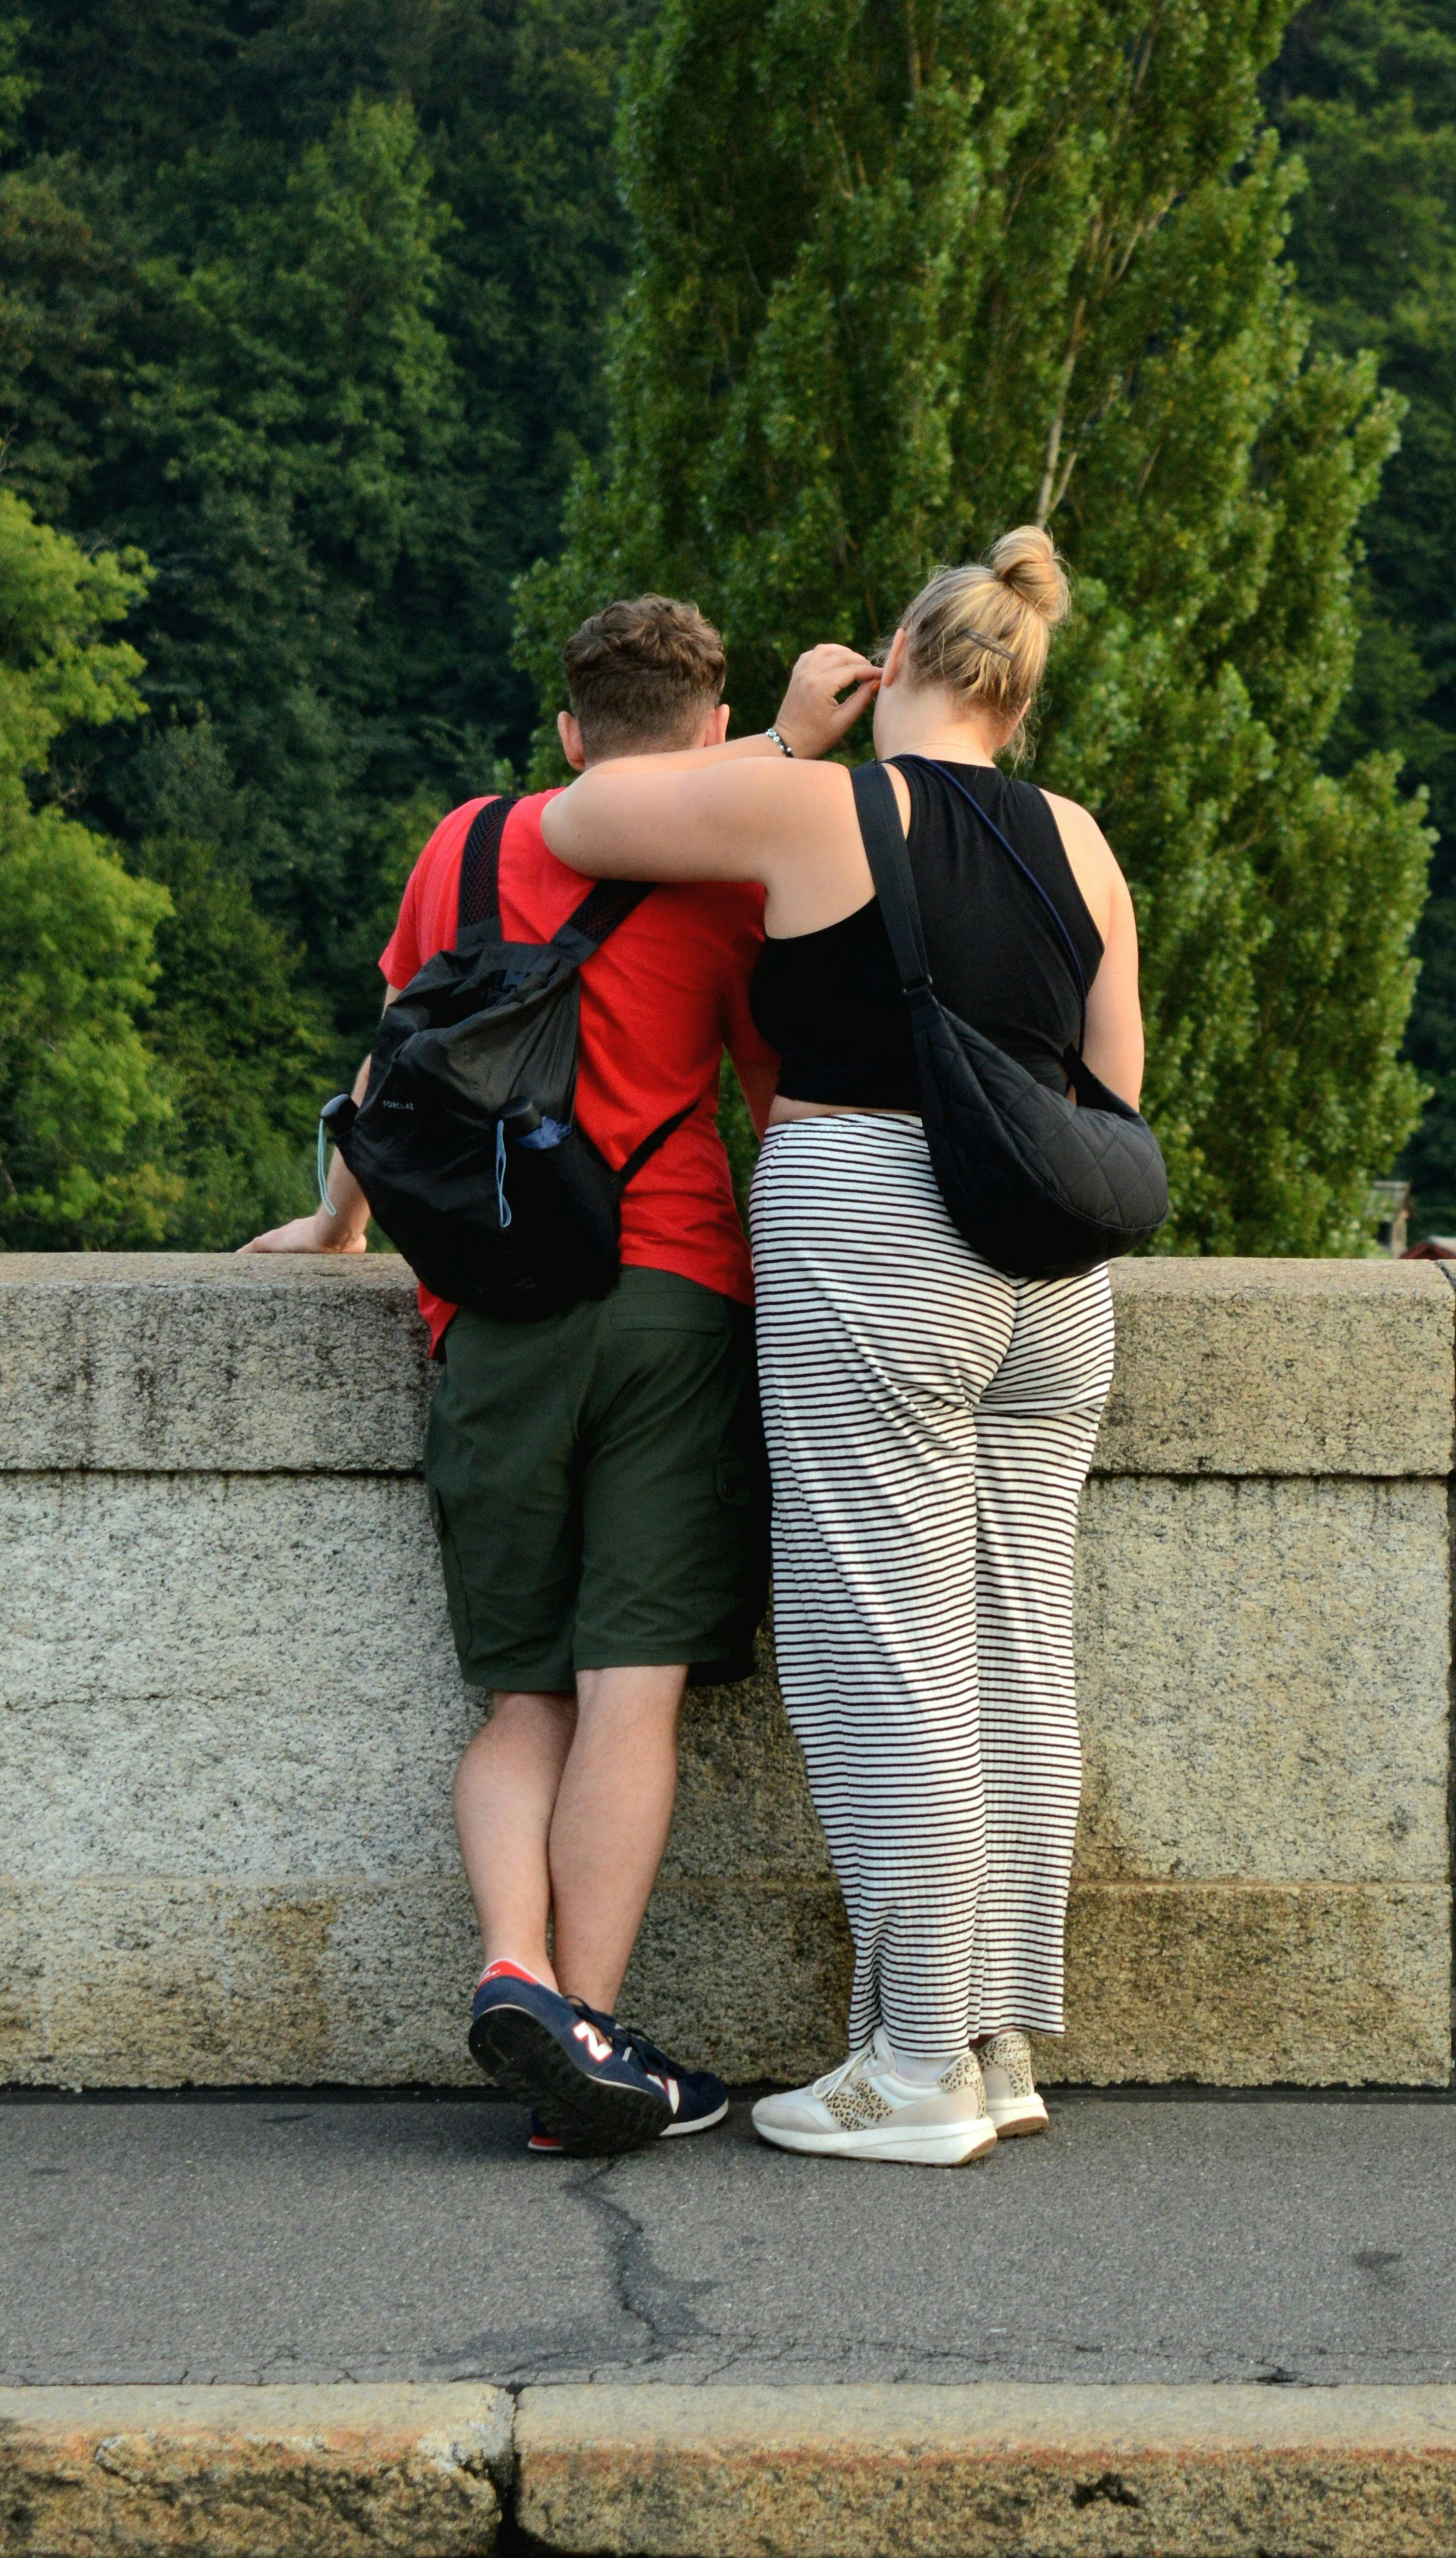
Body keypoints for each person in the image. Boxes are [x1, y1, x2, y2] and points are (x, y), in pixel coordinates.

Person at [542, 527, 1143, 2168]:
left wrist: (791, 731)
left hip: (872, 1216)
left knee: (884, 1648)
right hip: (1052, 1258)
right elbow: (1117, 1090)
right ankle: (999, 2039)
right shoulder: (1078, 843)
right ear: (1015, 697)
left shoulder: (827, 803)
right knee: (1020, 1644)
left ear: (895, 654)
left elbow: (575, 818)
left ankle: (911, 2061)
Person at [245, 595, 875, 2156]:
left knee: (518, 1691)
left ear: (571, 734)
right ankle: (584, 2037)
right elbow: (779, 1100)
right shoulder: (736, 869)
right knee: (629, 1689)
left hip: (485, 1320)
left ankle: (514, 1967)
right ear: (712, 730)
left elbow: (397, 1059)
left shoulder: (461, 843)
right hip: (664, 1292)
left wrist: (338, 1221)